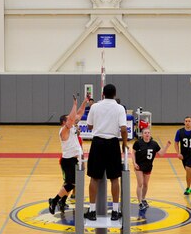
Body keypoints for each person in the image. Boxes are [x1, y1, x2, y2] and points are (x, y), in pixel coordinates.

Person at [84, 83, 128, 222]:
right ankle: (115, 211)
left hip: (97, 143)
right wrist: (124, 144)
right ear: (115, 94)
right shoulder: (119, 108)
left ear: (103, 94)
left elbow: (89, 126)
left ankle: (92, 211)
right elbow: (123, 129)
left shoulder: (95, 106)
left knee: (94, 177)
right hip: (112, 143)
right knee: (114, 178)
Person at [49, 94, 90, 215]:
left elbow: (79, 114)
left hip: (75, 160)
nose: (72, 119)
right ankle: (55, 200)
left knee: (71, 183)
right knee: (72, 183)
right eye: (68, 118)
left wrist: (85, 102)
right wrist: (74, 104)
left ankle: (61, 201)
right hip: (68, 160)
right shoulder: (63, 130)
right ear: (64, 122)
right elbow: (72, 118)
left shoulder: (71, 127)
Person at [132, 127, 167, 213]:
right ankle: (140, 203)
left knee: (145, 184)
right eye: (145, 133)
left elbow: (161, 154)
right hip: (139, 166)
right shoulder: (138, 143)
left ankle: (143, 199)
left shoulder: (154, 144)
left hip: (148, 166)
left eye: (148, 133)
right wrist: (134, 163)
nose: (147, 134)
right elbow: (133, 153)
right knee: (140, 184)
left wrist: (167, 146)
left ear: (150, 134)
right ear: (142, 135)